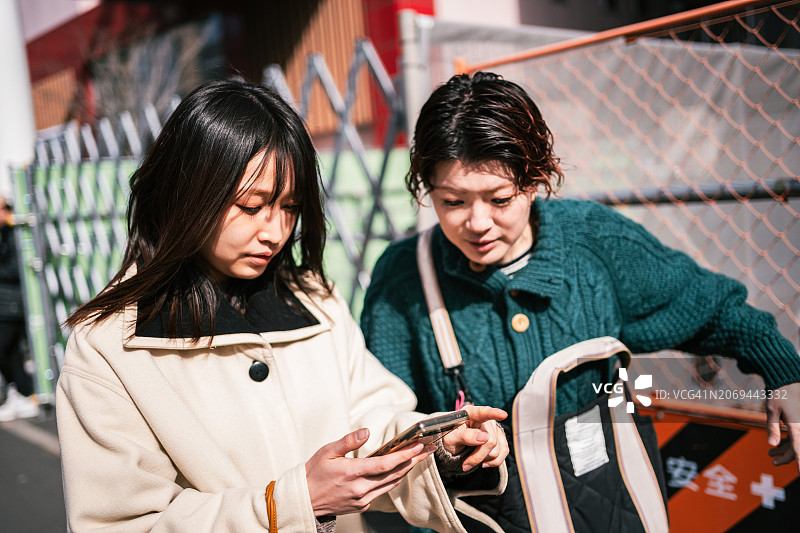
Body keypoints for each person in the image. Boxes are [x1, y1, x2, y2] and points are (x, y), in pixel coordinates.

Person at [56, 78, 510, 532]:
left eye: (289, 208)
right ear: (186, 195)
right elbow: (120, 523)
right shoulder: (110, 346)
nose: (274, 233)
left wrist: (441, 446)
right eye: (252, 207)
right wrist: (287, 505)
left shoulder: (315, 301)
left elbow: (372, 420)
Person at [360, 72, 800, 532]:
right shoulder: (404, 279)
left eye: (500, 198)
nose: (478, 222)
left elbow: (711, 308)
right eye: (453, 201)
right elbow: (384, 427)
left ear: (535, 180)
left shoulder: (593, 242)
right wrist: (445, 446)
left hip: (615, 506)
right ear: (426, 189)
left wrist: (784, 374)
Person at [0, 196, 38, 421]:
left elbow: (17, 269)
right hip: (6, 304)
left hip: (12, 305)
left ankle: (24, 394)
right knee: (12, 353)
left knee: (6, 351)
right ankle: (23, 395)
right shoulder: (6, 233)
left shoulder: (16, 233)